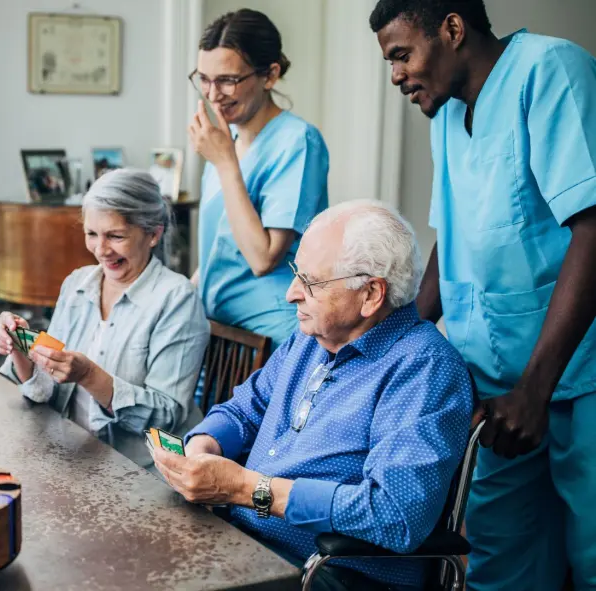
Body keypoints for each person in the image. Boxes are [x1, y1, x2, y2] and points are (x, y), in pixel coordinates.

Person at [370, 1, 596, 588]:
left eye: (401, 54)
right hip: (494, 389)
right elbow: (455, 238)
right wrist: (388, 345)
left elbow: (592, 226)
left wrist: (535, 389)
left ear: (452, 28)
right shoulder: (446, 112)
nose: (395, 75)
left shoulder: (550, 70)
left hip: (575, 378)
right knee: (501, 563)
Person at [153, 201, 473, 591]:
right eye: (295, 275)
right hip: (249, 543)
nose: (291, 294)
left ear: (371, 293)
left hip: (330, 572)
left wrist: (247, 489)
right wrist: (205, 445)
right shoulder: (311, 339)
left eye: (311, 282)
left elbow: (395, 515)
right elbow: (245, 408)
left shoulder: (423, 368)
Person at [0, 169, 209, 469]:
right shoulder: (77, 284)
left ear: (154, 234)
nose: (101, 250)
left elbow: (166, 418)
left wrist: (89, 376)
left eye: (116, 236)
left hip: (141, 471)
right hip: (72, 454)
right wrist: (20, 347)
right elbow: (45, 392)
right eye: (91, 234)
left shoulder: (177, 299)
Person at [190, 9, 330, 350]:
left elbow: (263, 257)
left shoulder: (297, 141)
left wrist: (225, 164)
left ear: (270, 75)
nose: (212, 94)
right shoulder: (227, 143)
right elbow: (217, 249)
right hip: (218, 332)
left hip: (271, 336)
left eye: (227, 80)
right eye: (204, 78)